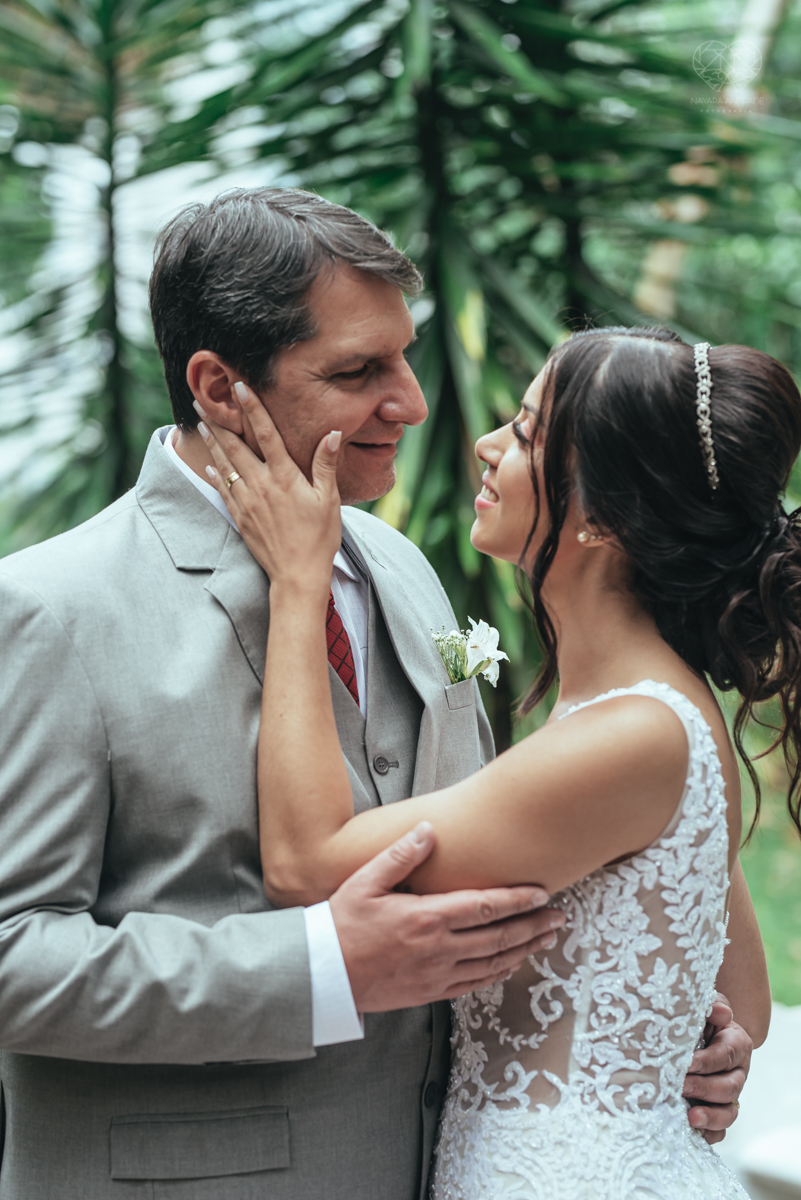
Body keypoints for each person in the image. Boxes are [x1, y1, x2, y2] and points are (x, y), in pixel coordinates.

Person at [0, 190, 749, 1198]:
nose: (414, 403)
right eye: (358, 372)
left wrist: (662, 1018)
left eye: (404, 355)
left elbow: (513, 852)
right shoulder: (57, 609)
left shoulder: (404, 569)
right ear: (222, 387)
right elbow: (13, 955)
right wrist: (315, 970)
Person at [196, 323, 793, 1198]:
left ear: (603, 518)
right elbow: (741, 996)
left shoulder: (627, 734)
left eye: (522, 433)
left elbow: (304, 863)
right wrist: (674, 1034)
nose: (483, 444)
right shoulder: (662, 708)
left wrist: (299, 583)